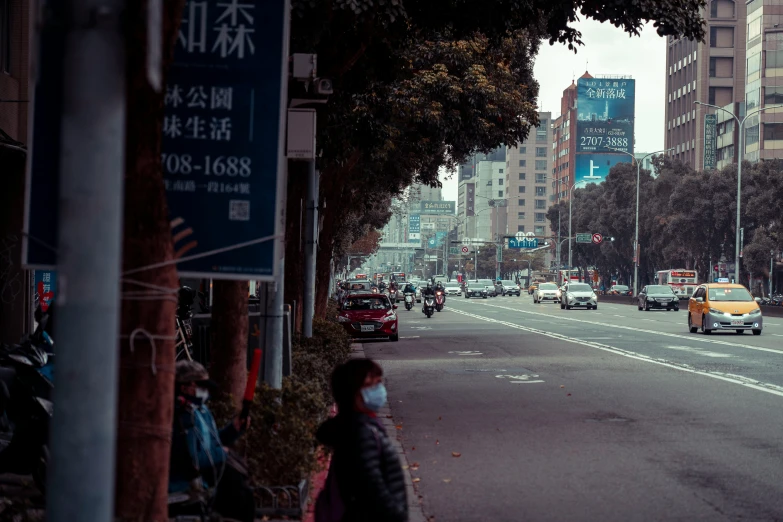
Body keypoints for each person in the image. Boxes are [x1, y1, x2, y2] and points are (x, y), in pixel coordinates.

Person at [316, 359, 408, 522]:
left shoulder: (358, 426)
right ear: (355, 393)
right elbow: (372, 487)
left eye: (380, 383)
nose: (379, 389)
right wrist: (397, 514)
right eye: (372, 385)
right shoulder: (362, 433)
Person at [169, 361, 255, 522]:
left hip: (209, 479)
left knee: (245, 496)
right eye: (199, 385)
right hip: (187, 484)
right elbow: (193, 459)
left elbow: (213, 442)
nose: (204, 391)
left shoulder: (202, 410)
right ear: (185, 387)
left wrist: (233, 430)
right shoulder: (181, 416)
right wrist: (221, 453)